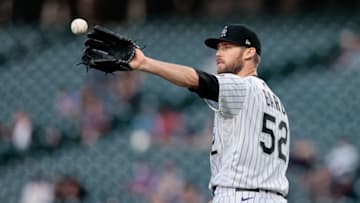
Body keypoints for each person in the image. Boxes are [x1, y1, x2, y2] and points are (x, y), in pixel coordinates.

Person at [87, 24, 290, 202]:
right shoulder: (276, 104)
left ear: (249, 53)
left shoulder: (243, 86)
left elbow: (197, 80)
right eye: (218, 48)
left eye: (227, 47)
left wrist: (145, 64)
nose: (219, 53)